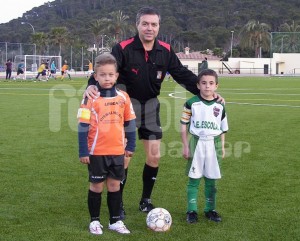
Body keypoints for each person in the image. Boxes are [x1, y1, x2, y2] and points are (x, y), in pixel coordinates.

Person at [84, 6, 224, 218]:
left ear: (159, 27)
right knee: (124, 157)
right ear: (137, 25)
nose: (149, 28)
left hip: (150, 107)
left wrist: (208, 94)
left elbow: (182, 74)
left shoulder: (165, 51)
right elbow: (105, 68)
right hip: (123, 109)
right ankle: (118, 203)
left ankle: (145, 200)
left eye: (154, 24)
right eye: (145, 24)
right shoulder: (123, 48)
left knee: (154, 156)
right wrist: (91, 84)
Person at [77, 53, 136, 235]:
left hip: (117, 150)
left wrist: (131, 145)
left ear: (116, 76)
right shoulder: (89, 98)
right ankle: (95, 221)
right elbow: (82, 126)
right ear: (96, 76)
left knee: (114, 186)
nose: (107, 78)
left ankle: (114, 221)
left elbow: (130, 122)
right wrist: (83, 151)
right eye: (103, 74)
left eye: (111, 74)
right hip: (96, 152)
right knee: (96, 186)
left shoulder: (123, 97)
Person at [180, 69, 229, 223]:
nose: (207, 86)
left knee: (211, 180)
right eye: (204, 83)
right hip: (196, 142)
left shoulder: (220, 105)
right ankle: (192, 211)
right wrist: (185, 146)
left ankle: (210, 209)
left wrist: (222, 146)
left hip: (214, 145)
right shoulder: (191, 103)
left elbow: (222, 129)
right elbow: (183, 126)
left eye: (211, 83)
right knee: (194, 179)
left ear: (216, 86)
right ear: (198, 85)